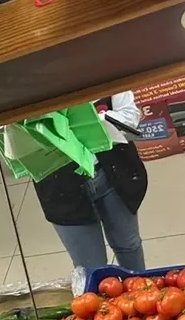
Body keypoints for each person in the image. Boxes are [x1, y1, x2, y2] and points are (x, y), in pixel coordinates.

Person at [33, 92, 149, 272]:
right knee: (90, 267)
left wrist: (84, 121)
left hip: (113, 171)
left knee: (129, 246)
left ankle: (140, 286)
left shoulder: (99, 74)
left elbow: (130, 117)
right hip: (59, 186)